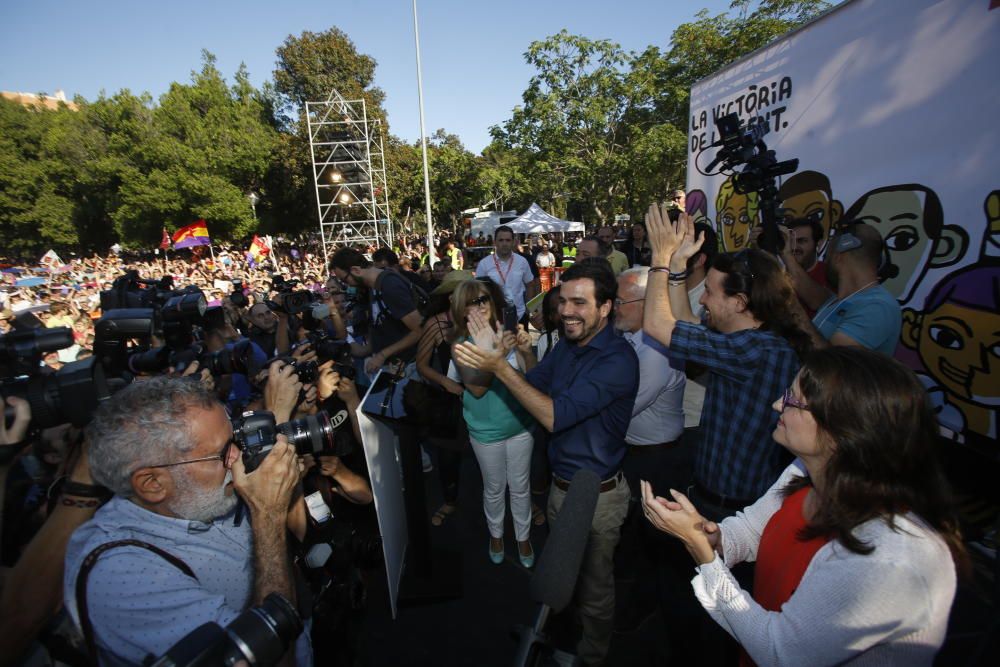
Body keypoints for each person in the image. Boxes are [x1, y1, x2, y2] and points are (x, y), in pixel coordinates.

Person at [641, 346, 967, 666]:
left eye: (794, 401)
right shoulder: (805, 470)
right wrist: (711, 535)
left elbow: (780, 653)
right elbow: (752, 529)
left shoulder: (893, 557)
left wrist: (704, 555)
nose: (776, 404)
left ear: (844, 430)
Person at [455, 260, 638, 665]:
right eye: (563, 301)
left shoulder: (618, 361)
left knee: (594, 590)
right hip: (560, 487)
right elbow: (534, 384)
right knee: (563, 584)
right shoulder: (569, 347)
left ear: (606, 308)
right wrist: (515, 354)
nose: (566, 311)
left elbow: (554, 415)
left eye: (579, 302)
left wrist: (499, 366)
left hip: (597, 499)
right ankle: (563, 644)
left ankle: (591, 658)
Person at [63, 376, 312, 666]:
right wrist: (268, 515)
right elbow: (272, 658)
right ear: (153, 483)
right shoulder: (121, 579)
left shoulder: (199, 495)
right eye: (222, 453)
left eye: (236, 439)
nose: (239, 456)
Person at [449, 279, 537, 567]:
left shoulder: (508, 333)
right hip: (486, 431)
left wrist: (524, 352)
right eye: (471, 302)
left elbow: (533, 380)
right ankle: (497, 534)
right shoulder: (460, 344)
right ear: (461, 311)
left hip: (520, 424)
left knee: (521, 486)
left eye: (483, 299)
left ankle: (523, 537)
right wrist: (496, 357)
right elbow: (475, 389)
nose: (479, 307)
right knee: (495, 487)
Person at [414, 270, 473, 527]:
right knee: (448, 456)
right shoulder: (436, 324)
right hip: (447, 400)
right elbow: (421, 364)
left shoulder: (483, 319)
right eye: (463, 292)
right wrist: (446, 382)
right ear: (450, 297)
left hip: (482, 397)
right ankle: (449, 501)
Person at [796, 222, 902, 355]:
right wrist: (785, 254)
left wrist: (796, 312)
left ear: (838, 257)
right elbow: (812, 296)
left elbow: (833, 361)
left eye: (827, 254)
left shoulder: (877, 306)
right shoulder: (839, 300)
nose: (826, 260)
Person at [330, 246, 423, 377]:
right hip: (391, 367)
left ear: (356, 270)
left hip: (408, 367)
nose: (348, 285)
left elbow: (419, 330)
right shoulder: (372, 288)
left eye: (345, 280)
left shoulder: (390, 285)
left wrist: (382, 355)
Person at [475, 225, 537, 321]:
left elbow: (530, 285)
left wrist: (528, 309)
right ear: (495, 242)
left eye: (508, 240)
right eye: (501, 240)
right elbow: (478, 290)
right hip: (494, 317)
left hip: (519, 315)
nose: (504, 243)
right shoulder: (484, 264)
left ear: (513, 242)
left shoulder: (522, 261)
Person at [777, 217, 831, 317]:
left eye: (802, 241)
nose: (794, 247)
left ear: (818, 244)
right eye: (791, 242)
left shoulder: (831, 272)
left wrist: (787, 254)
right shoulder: (777, 275)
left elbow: (818, 303)